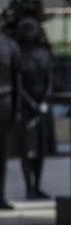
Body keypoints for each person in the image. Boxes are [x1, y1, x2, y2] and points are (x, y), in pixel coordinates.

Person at [15, 18, 54, 200]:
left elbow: (50, 79)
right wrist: (30, 103)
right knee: (27, 150)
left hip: (43, 105)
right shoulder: (18, 55)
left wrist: (45, 99)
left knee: (41, 148)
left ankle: (38, 186)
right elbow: (18, 83)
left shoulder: (44, 54)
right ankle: (28, 187)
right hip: (26, 107)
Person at [0, 28, 16, 210]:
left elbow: (16, 78)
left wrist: (17, 108)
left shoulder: (9, 45)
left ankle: (1, 196)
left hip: (4, 105)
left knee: (2, 154)